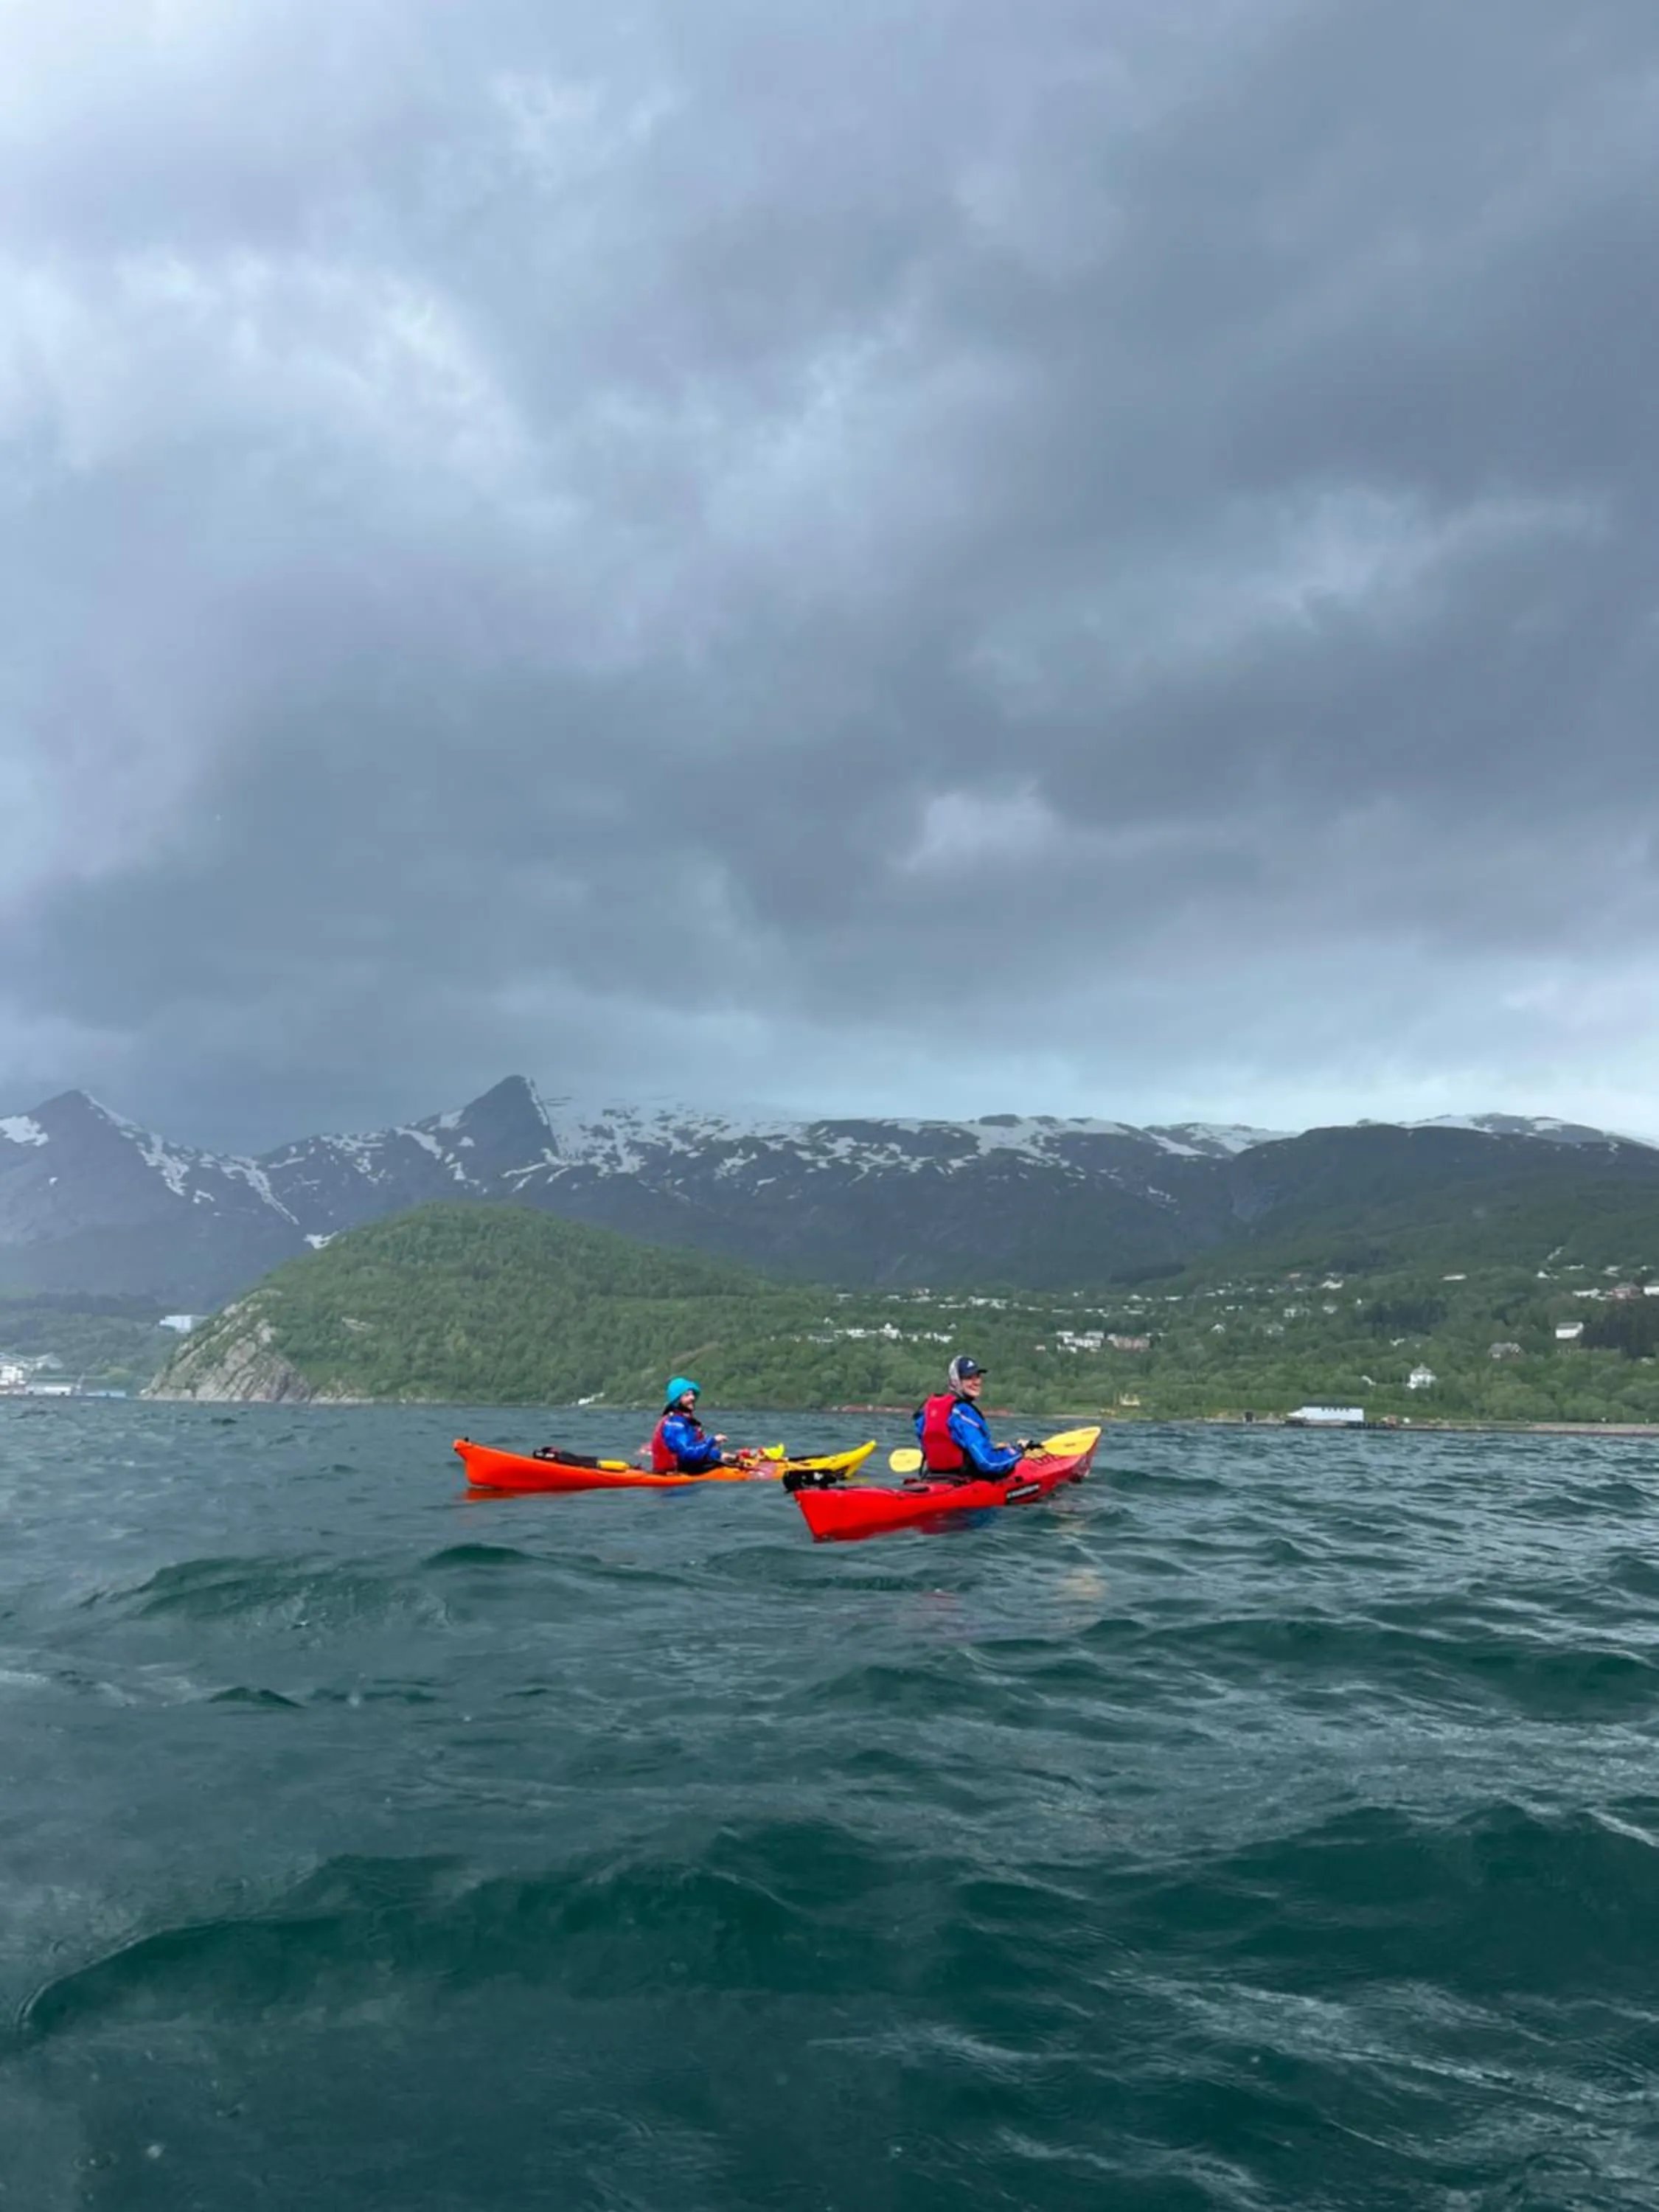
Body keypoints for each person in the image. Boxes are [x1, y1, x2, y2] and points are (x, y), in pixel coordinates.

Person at [914, 1356, 1029, 1481]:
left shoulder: (928, 1410)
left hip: (933, 1478)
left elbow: (930, 1447)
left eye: (977, 1376)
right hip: (965, 1482)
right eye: (969, 1378)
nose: (976, 1382)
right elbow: (988, 1463)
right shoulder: (964, 1413)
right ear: (956, 1381)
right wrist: (1018, 1451)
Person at [650, 1377, 741, 1473]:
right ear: (677, 1400)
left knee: (725, 1458)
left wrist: (718, 1455)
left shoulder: (684, 1420)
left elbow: (695, 1447)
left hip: (686, 1467)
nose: (692, 1398)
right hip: (674, 1472)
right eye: (687, 1395)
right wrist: (712, 1441)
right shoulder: (675, 1424)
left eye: (693, 1394)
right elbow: (687, 1454)